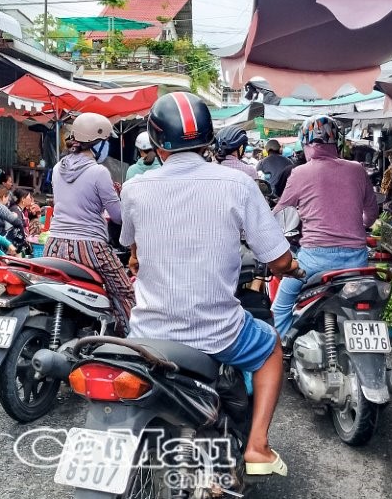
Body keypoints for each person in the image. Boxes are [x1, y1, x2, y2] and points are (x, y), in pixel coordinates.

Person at [122, 92, 297, 478]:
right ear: (207, 137)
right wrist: (291, 266)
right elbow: (279, 260)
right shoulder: (236, 183)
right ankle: (257, 447)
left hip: (148, 332)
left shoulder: (134, 188)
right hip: (218, 330)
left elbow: (130, 246)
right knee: (270, 347)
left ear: (155, 140)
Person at [271, 115, 378, 338]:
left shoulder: (299, 172)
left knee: (280, 307)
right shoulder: (357, 169)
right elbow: (371, 214)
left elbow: (279, 213)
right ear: (336, 142)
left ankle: (280, 357)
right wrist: (358, 226)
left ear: (306, 143)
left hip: (313, 261)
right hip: (356, 261)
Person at [47, 112, 135, 333]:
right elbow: (117, 216)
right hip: (89, 247)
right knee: (124, 292)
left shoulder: (58, 168)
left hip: (54, 244)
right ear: (96, 144)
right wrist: (121, 198)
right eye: (104, 142)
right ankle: (134, 343)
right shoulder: (98, 172)